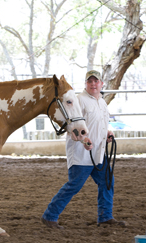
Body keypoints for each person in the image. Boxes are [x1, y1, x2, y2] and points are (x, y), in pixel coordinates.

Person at [41, 70, 125, 229]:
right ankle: (50, 215)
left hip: (98, 153)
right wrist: (84, 140)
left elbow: (98, 124)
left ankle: (105, 217)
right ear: (86, 84)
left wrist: (106, 133)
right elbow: (71, 125)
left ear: (101, 83)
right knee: (74, 185)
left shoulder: (102, 102)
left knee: (107, 182)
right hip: (81, 153)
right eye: (90, 81)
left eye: (96, 81)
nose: (93, 84)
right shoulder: (78, 100)